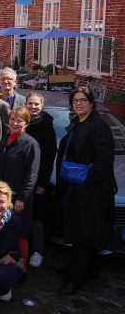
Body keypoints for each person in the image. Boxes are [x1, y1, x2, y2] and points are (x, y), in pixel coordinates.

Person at [55, 87, 116, 295]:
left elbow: (105, 161)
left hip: (91, 191)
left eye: (82, 100)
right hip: (77, 187)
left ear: (92, 103)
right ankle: (90, 271)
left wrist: (87, 184)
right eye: (75, 100)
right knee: (84, 234)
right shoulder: (79, 123)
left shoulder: (98, 126)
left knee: (83, 235)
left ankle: (75, 278)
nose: (78, 104)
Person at [0, 107, 40, 285]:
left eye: (19, 121)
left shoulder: (30, 143)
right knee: (3, 232)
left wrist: (22, 199)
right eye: (12, 119)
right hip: (2, 197)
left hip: (18, 198)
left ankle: (23, 268)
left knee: (20, 234)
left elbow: (32, 175)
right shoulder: (5, 138)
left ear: (26, 123)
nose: (15, 123)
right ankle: (6, 265)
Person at [23, 92, 56, 268]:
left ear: (41, 106)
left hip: (37, 179)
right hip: (21, 177)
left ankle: (38, 251)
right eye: (30, 104)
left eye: (36, 104)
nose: (33, 107)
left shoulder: (47, 126)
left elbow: (49, 156)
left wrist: (43, 182)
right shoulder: (21, 122)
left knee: (36, 217)